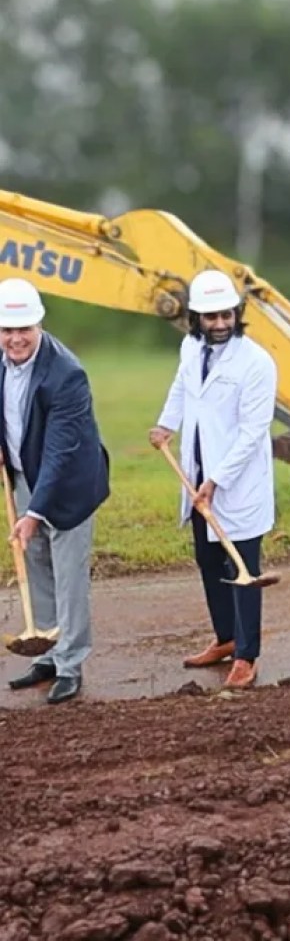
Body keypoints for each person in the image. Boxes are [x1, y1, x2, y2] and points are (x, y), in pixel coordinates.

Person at [149, 270, 277, 690]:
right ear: (195, 318)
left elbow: (252, 432)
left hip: (236, 484)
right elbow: (182, 388)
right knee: (209, 562)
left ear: (237, 313)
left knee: (243, 570)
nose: (220, 324)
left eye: (226, 315)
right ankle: (224, 639)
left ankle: (246, 655)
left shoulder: (257, 363)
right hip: (196, 476)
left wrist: (218, 480)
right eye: (211, 317)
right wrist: (166, 425)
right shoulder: (191, 347)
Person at [0, 278, 110, 705]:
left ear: (39, 323)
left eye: (23, 328)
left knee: (68, 577)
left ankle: (70, 663)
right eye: (7, 329)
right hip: (27, 477)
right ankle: (44, 649)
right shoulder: (1, 357)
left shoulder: (67, 374)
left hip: (69, 486)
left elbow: (60, 452)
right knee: (37, 564)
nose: (15, 338)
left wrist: (34, 513)